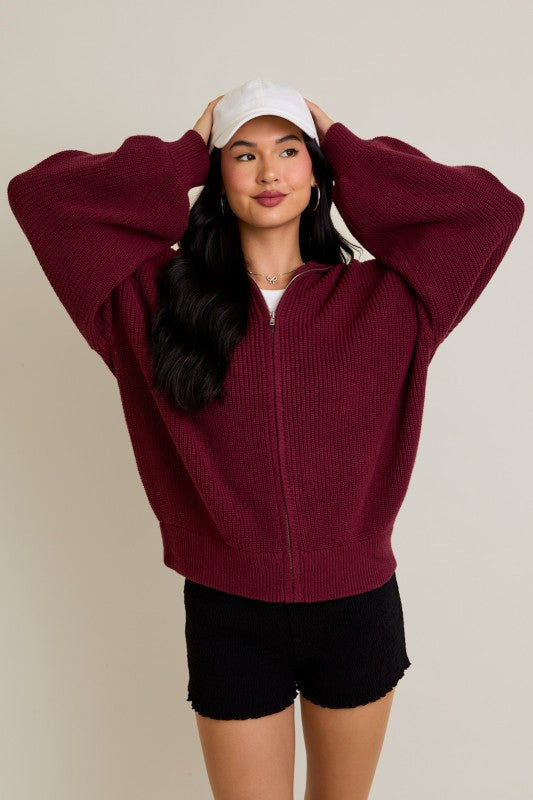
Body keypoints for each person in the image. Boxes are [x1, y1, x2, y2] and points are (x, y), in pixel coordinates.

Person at [7, 77, 525, 800]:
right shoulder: (158, 302)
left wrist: (348, 148)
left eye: (289, 150)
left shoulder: (390, 299)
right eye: (243, 155)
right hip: (228, 613)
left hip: (356, 607)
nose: (269, 172)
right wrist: (182, 153)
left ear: (316, 171)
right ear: (217, 176)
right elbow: (42, 198)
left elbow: (490, 209)